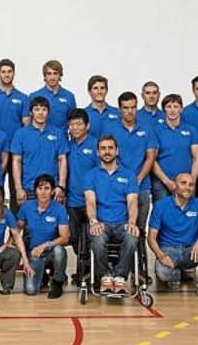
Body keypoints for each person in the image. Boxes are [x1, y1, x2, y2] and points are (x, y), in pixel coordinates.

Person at [147, 173, 198, 301]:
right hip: (169, 251)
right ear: (175, 186)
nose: (187, 187)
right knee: (163, 274)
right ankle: (175, 274)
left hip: (190, 251)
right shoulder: (160, 205)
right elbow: (151, 237)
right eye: (183, 183)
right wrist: (161, 255)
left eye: (191, 184)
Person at [84, 136, 140, 294]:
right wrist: (93, 221)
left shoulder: (129, 175)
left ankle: (120, 277)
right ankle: (104, 277)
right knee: (97, 238)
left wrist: (132, 222)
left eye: (110, 148)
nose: (107, 151)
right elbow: (90, 202)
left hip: (123, 223)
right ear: (97, 152)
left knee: (132, 238)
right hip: (101, 223)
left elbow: (132, 202)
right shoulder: (90, 176)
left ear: (117, 151)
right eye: (103, 148)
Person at [106, 91, 158, 235]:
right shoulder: (111, 129)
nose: (130, 111)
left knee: (140, 229)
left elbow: (150, 157)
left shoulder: (147, 128)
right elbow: (107, 156)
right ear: (120, 109)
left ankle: (140, 249)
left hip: (142, 185)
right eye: (126, 108)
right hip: (117, 185)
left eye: (133, 107)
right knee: (122, 227)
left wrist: (139, 178)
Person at [0, 58, 30, 212]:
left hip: (17, 151)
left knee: (17, 189)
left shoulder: (23, 98)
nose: (6, 74)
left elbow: (27, 125)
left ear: (14, 73)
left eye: (9, 71)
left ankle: (16, 221)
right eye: (3, 72)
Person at [17, 174, 70, 298]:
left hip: (51, 251)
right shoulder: (27, 206)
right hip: (34, 253)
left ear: (52, 191)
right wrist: (12, 247)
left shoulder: (60, 209)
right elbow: (17, 230)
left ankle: (57, 282)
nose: (43, 192)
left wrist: (45, 245)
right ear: (35, 190)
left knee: (60, 251)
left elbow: (65, 238)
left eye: (47, 188)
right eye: (40, 188)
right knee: (30, 291)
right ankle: (43, 276)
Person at [11, 96, 68, 209]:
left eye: (44, 109)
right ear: (31, 112)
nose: (41, 113)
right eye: (37, 109)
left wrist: (61, 186)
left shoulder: (58, 133)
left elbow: (62, 159)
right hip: (29, 190)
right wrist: (18, 188)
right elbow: (16, 161)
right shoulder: (20, 134)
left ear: (48, 112)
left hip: (52, 190)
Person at [151, 94, 198, 202]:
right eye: (169, 106)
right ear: (164, 109)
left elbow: (197, 158)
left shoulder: (191, 130)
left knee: (187, 211)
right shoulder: (156, 131)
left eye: (176, 106)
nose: (172, 110)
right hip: (162, 183)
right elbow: (152, 159)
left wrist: (191, 181)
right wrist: (167, 181)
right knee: (163, 211)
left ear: (181, 109)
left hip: (186, 183)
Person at [66, 109, 97, 259]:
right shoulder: (67, 146)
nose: (75, 128)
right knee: (74, 237)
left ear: (87, 125)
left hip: (92, 201)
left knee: (94, 236)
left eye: (78, 124)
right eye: (72, 124)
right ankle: (83, 265)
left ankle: (94, 266)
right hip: (72, 201)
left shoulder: (96, 145)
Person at [29, 59, 77, 130]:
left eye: (55, 73)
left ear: (60, 75)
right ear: (44, 76)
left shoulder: (69, 97)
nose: (52, 77)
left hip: (61, 136)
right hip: (40, 136)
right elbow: (29, 122)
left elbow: (73, 122)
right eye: (49, 74)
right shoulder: (34, 96)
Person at [84, 74, 119, 138]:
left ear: (106, 91)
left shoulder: (117, 113)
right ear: (89, 92)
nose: (99, 92)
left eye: (102, 88)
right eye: (95, 88)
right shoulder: (84, 114)